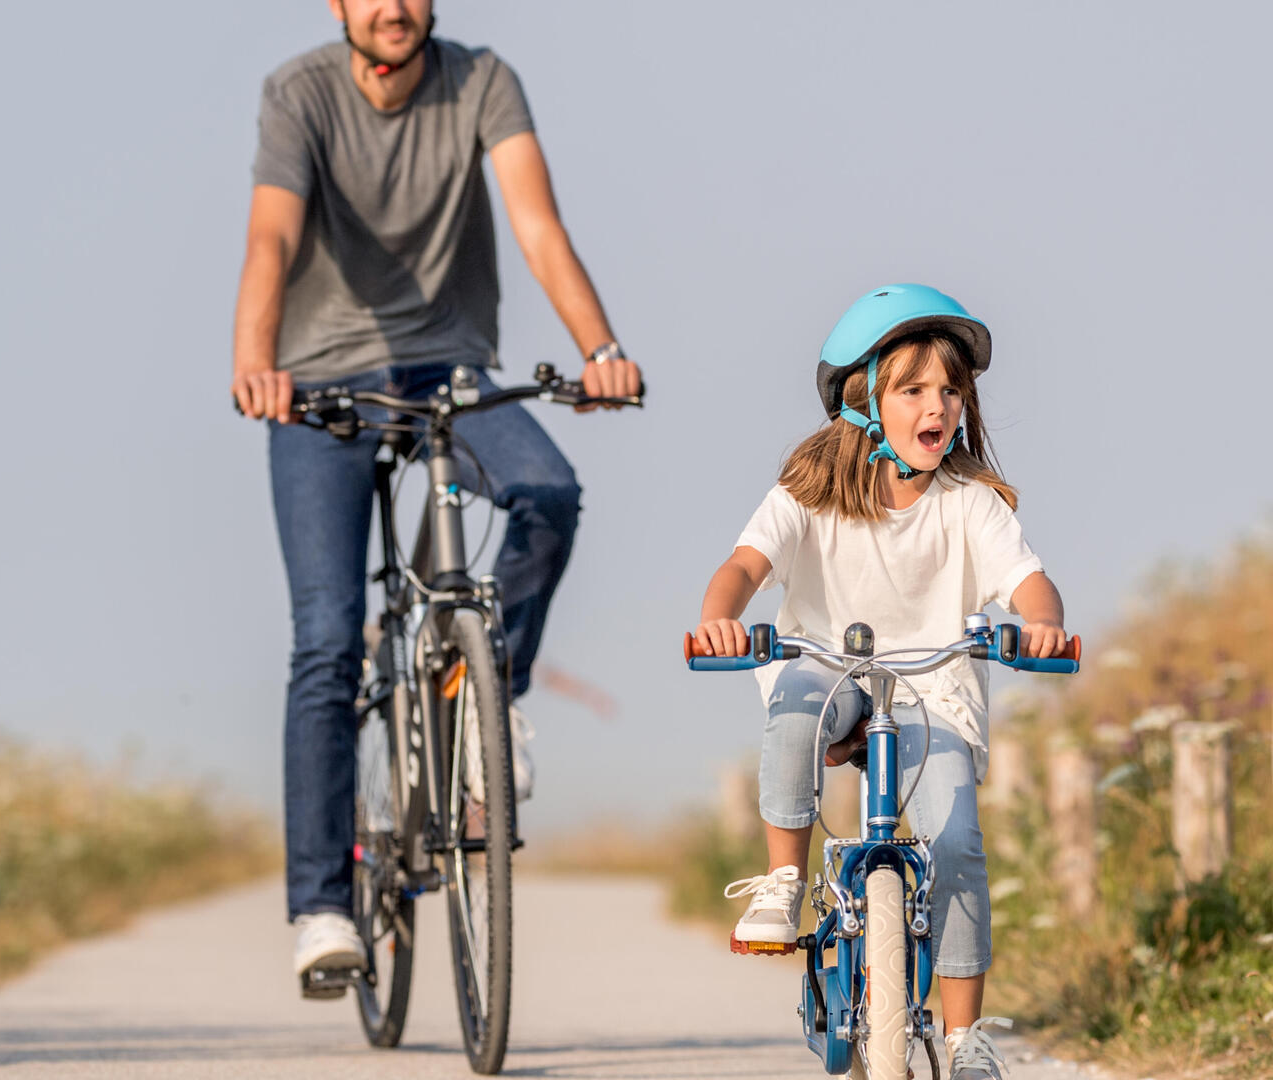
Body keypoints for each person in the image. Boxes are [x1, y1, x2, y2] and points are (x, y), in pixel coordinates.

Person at [231, 0, 642, 990]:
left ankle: (483, 695)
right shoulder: (301, 93)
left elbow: (538, 227)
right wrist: (255, 358)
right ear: (337, 6)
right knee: (328, 636)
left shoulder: (483, 79)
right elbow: (272, 242)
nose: (392, 8)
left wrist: (601, 350)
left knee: (548, 490)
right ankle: (325, 905)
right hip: (319, 382)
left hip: (451, 366)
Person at [686, 284, 1069, 1079]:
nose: (942, 405)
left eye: (952, 389)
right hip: (830, 668)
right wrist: (722, 615)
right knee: (795, 699)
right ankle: (784, 880)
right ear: (865, 402)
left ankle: (966, 1041)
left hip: (934, 694)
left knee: (958, 844)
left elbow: (1029, 582)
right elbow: (744, 568)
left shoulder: (971, 504)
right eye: (915, 389)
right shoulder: (810, 494)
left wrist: (1041, 622)